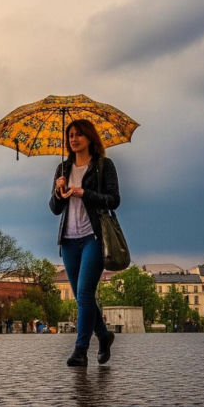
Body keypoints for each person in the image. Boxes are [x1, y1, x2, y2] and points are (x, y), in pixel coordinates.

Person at [50, 118, 120, 367]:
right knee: (83, 299)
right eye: (70, 135)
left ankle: (80, 350)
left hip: (94, 237)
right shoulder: (63, 168)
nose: (73, 139)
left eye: (78, 134)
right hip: (69, 240)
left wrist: (85, 193)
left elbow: (114, 200)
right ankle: (104, 335)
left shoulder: (103, 165)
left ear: (90, 137)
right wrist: (59, 192)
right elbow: (54, 209)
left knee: (84, 293)